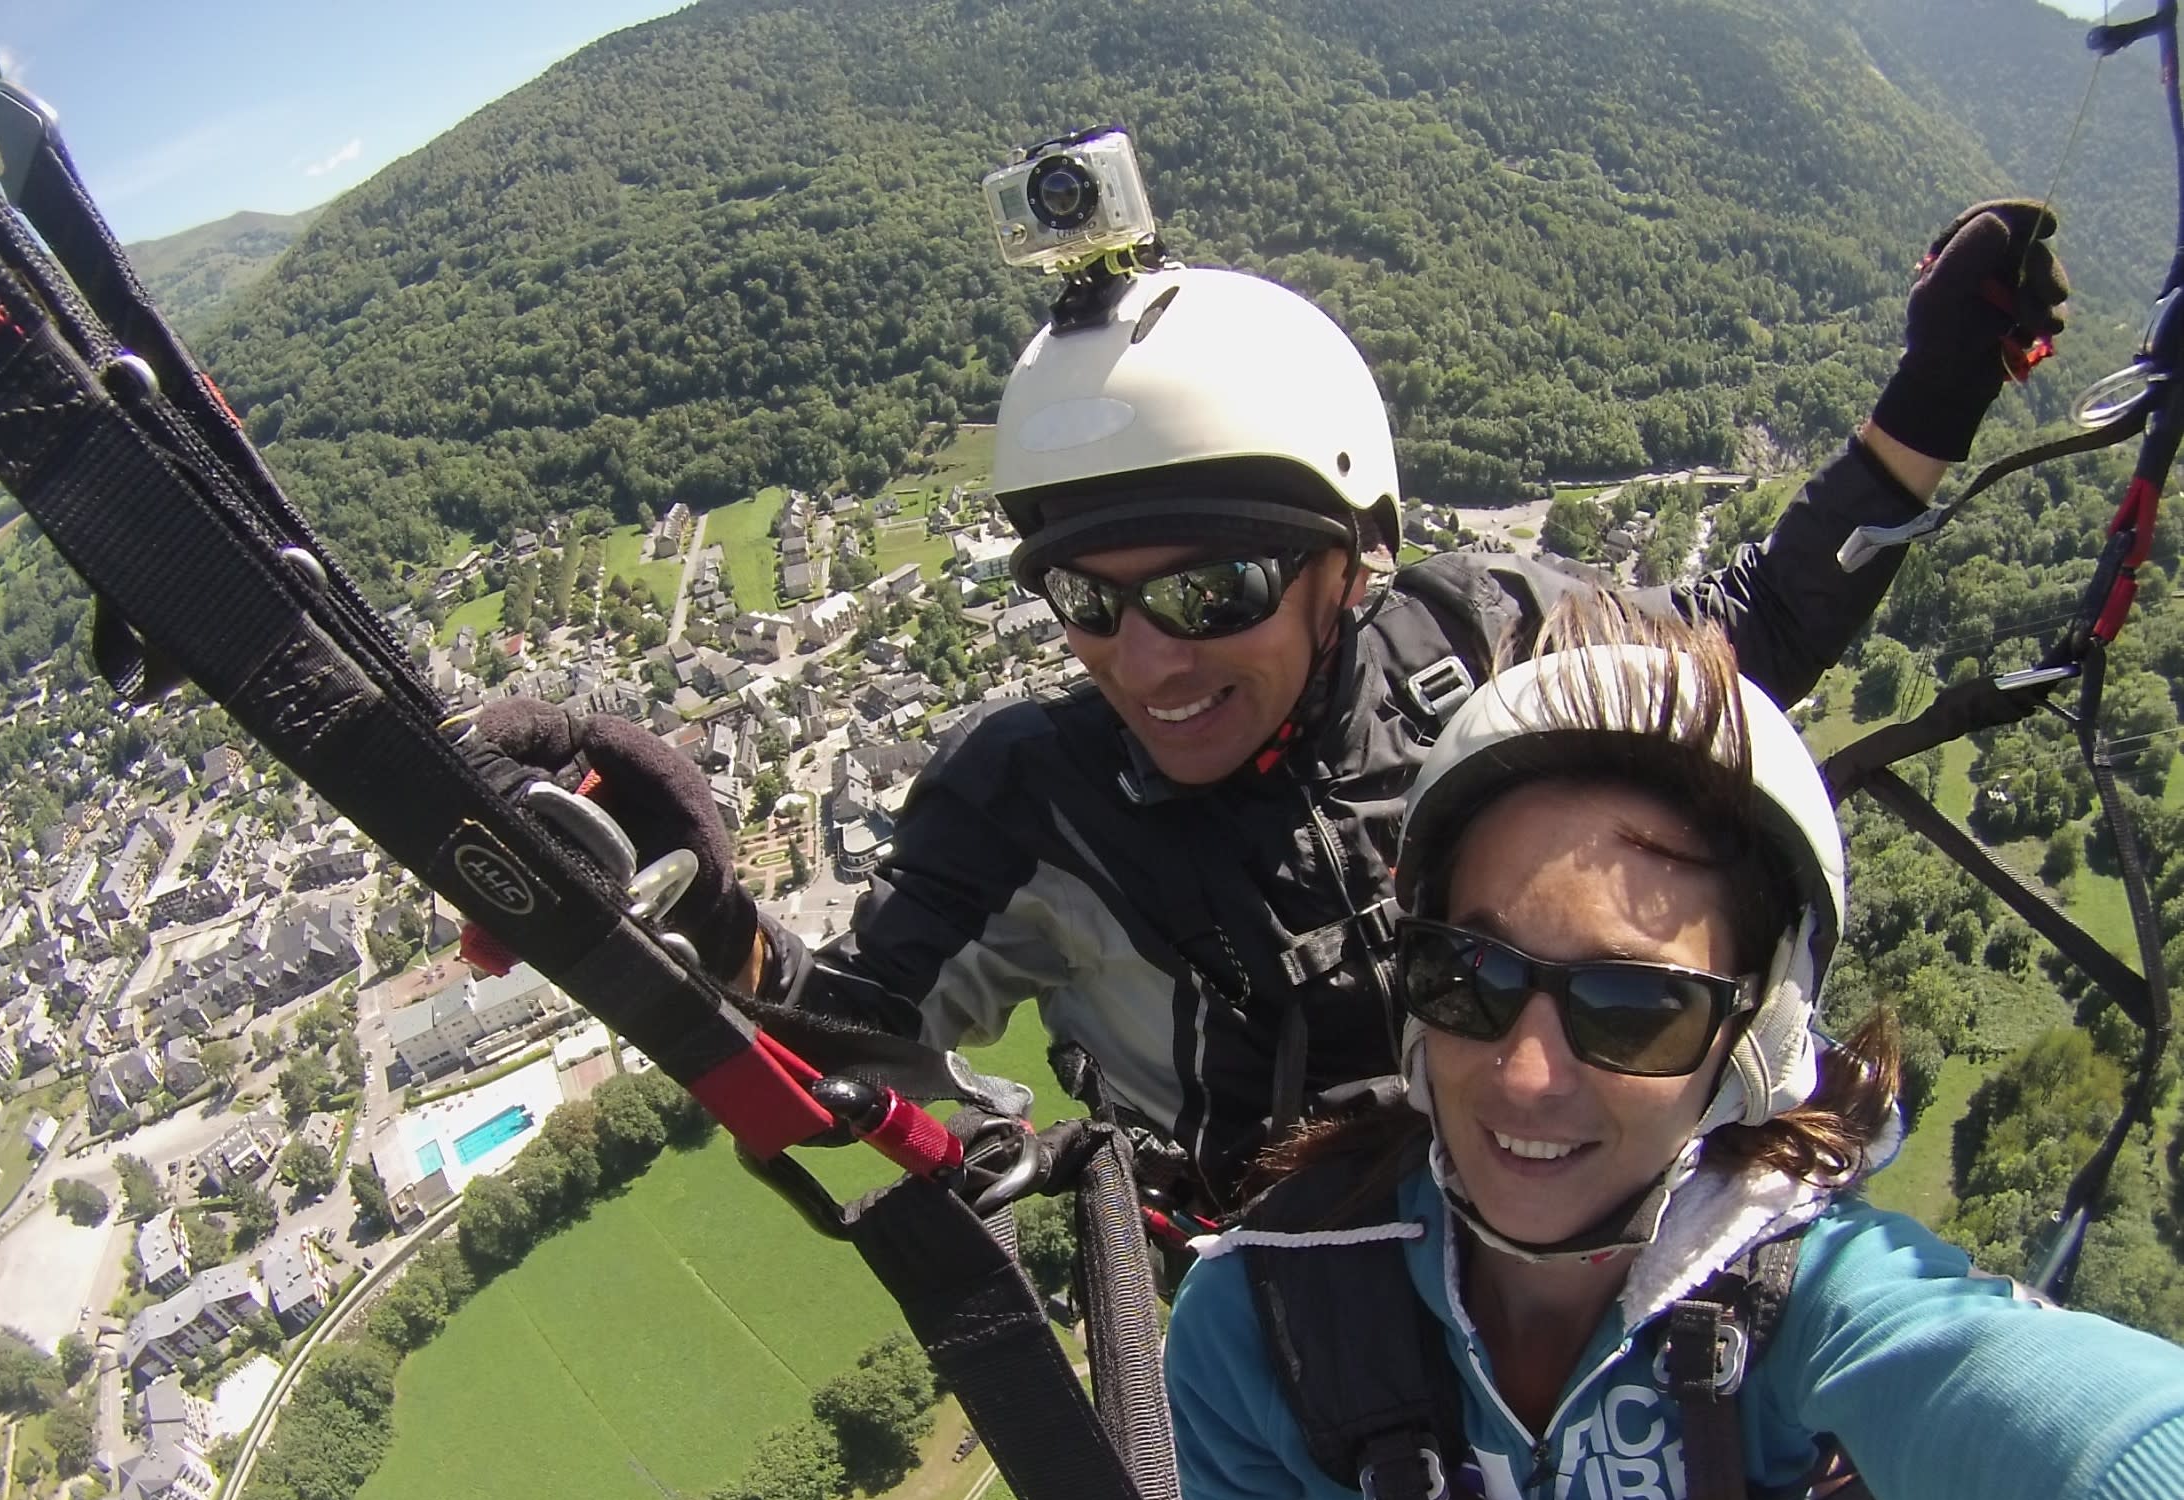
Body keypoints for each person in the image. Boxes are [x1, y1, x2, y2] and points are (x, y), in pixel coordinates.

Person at [477, 203, 2067, 1215]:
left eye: (1213, 592)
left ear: (1350, 562)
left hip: (1578, 1219)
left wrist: (1925, 410)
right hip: (1285, 1317)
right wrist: (708, 928)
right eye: (1087, 601)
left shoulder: (1485, 632)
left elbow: (1744, 642)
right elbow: (848, 1055)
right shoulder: (1032, 797)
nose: (1149, 658)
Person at [1122, 596, 2184, 1500]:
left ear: (1754, 1041)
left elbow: (2083, 1451)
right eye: (1469, 973)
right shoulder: (1264, 1316)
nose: (1526, 1075)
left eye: (1633, 1006)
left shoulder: (1805, 1295)